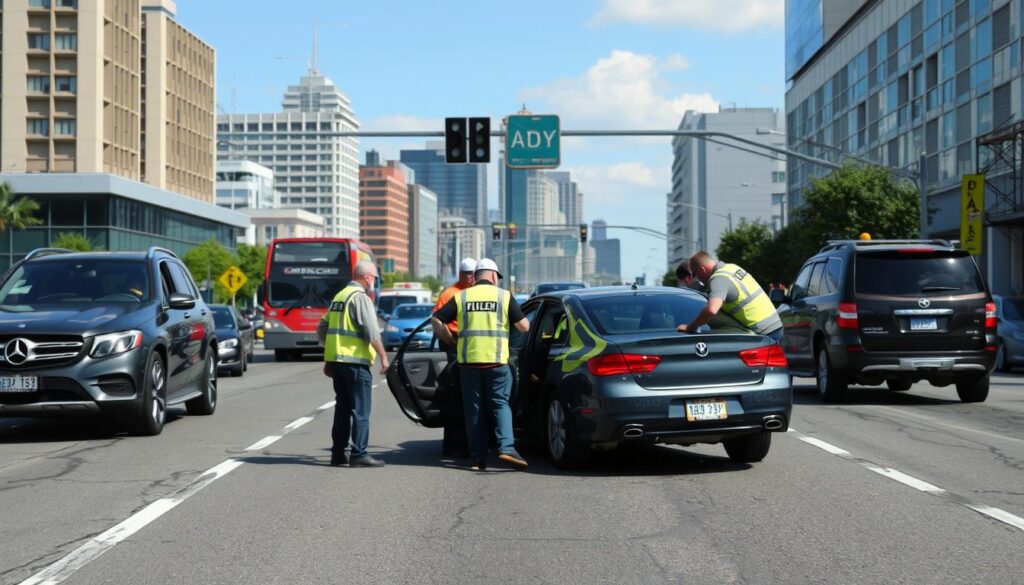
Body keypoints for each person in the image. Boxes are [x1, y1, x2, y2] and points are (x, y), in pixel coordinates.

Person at [432, 258, 530, 471]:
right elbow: (524, 327)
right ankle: (506, 448)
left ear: (475, 277)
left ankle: (477, 459)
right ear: (494, 276)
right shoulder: (504, 296)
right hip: (496, 362)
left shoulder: (462, 296)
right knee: (500, 404)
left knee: (473, 411)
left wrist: (449, 339)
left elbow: (436, 320)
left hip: (468, 363)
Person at [317, 260, 389, 468]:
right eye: (374, 277)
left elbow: (322, 328)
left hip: (338, 363)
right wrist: (384, 356)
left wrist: (330, 357)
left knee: (342, 409)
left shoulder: (339, 297)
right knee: (361, 410)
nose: (374, 281)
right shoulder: (360, 298)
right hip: (356, 363)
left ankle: (338, 453)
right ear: (366, 277)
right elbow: (372, 331)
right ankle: (359, 454)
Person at [675, 251, 783, 342]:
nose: (698, 279)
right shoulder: (732, 267)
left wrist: (690, 327)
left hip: (763, 332)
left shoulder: (718, 279)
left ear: (701, 270)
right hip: (774, 323)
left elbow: (711, 310)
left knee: (710, 310)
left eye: (695, 275)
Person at [432, 258, 477, 458]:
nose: (471, 277)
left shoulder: (477, 293)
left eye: (473, 273)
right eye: (467, 273)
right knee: (457, 395)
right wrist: (448, 338)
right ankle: (454, 444)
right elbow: (437, 320)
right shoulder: (450, 293)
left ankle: (469, 442)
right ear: (460, 274)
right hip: (454, 344)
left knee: (468, 396)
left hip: (473, 345)